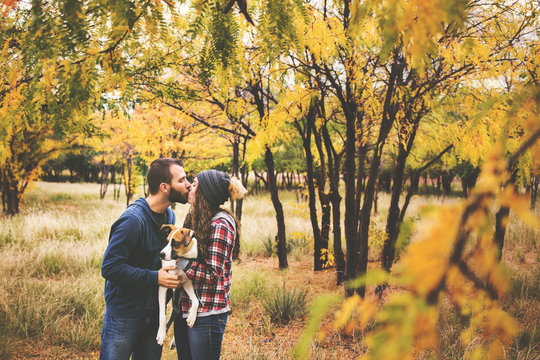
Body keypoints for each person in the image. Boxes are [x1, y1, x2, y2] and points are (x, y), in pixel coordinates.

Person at [100, 158, 191, 360]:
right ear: (164, 187)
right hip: (125, 314)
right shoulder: (132, 220)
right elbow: (110, 268)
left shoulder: (168, 216)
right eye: (182, 180)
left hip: (154, 313)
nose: (188, 184)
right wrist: (155, 278)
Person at [173, 169, 247, 360]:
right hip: (185, 309)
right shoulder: (192, 217)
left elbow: (212, 274)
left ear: (205, 193)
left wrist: (179, 262)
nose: (189, 185)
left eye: (195, 184)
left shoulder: (221, 224)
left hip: (207, 314)